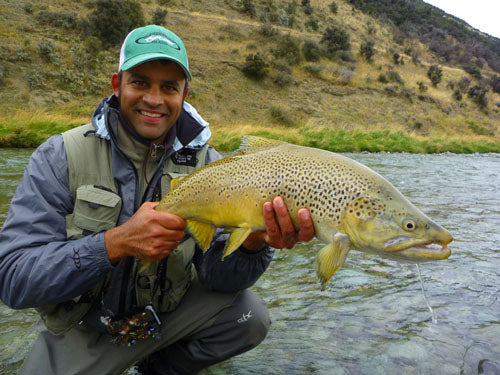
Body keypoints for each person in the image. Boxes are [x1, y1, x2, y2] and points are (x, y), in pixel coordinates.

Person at [0, 25, 314, 374]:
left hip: (166, 319)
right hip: (85, 329)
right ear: (117, 85)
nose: (154, 99)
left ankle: (156, 368)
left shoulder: (211, 166)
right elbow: (12, 278)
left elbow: (218, 279)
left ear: (184, 93)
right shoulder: (60, 157)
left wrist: (254, 242)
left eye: (169, 87)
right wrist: (112, 244)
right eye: (140, 82)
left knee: (249, 318)